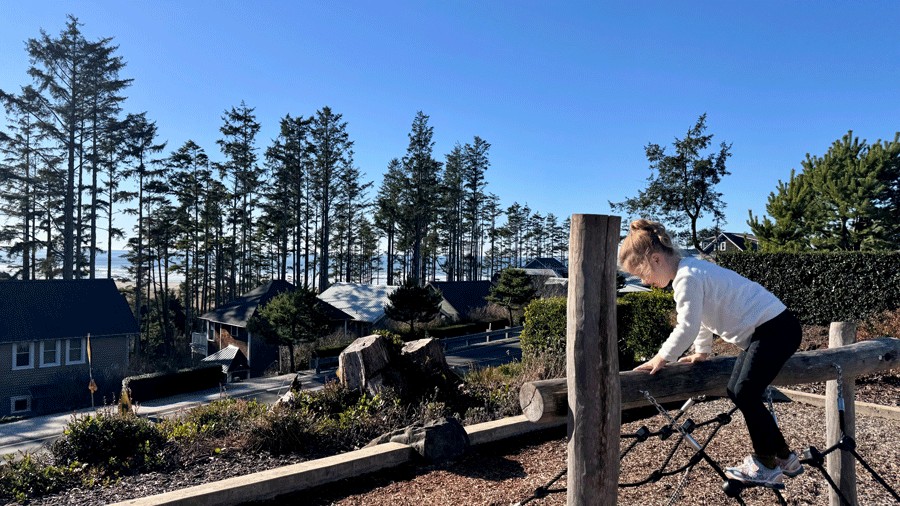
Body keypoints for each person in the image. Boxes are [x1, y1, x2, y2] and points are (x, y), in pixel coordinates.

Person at [618, 219, 803, 489]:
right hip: (774, 328)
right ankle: (785, 457)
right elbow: (702, 318)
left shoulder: (687, 277)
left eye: (641, 274)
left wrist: (661, 357)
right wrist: (702, 351)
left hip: (774, 329)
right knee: (736, 390)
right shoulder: (692, 270)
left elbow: (687, 326)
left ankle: (766, 464)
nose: (644, 281)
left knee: (744, 392)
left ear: (656, 259)